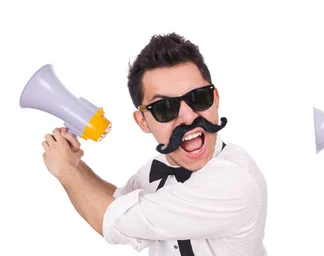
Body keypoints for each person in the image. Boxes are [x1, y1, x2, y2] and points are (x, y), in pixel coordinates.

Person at [40, 32, 268, 256]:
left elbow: (115, 221)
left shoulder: (233, 182)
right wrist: (77, 164)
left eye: (198, 97)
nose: (188, 117)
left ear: (215, 99)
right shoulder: (155, 169)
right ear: (143, 121)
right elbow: (119, 202)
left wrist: (64, 170)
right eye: (165, 108)